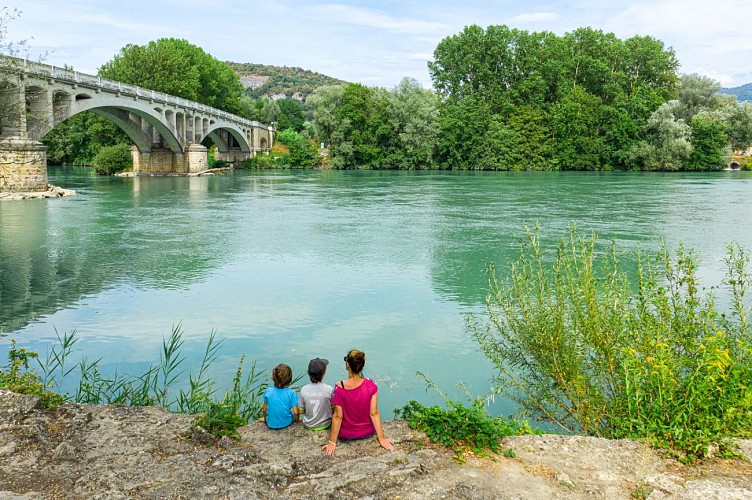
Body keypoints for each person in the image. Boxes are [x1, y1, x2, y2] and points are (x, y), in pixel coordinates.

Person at [321, 349, 395, 456]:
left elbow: (338, 416)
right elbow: (373, 413)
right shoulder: (371, 384)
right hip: (368, 433)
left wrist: (332, 442)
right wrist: (382, 438)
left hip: (346, 435)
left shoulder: (340, 387)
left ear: (347, 365)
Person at [298, 357, 334, 430]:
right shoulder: (329, 389)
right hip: (325, 425)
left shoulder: (304, 389)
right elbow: (333, 409)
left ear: (308, 373)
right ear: (324, 373)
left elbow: (301, 411)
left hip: (308, 425)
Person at [261, 363, 298, 429]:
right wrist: (297, 420)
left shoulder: (268, 391)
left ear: (274, 377)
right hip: (286, 423)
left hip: (270, 423)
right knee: (291, 414)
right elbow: (295, 412)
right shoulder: (291, 393)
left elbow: (264, 410)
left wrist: (265, 419)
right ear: (290, 378)